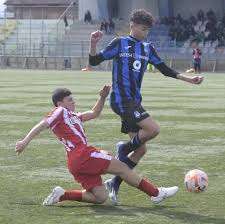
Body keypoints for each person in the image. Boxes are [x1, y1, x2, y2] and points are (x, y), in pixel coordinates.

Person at [88, 9, 203, 205]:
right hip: (121, 100)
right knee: (153, 129)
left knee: (140, 151)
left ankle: (113, 183)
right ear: (132, 25)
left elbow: (165, 70)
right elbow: (94, 60)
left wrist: (189, 79)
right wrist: (93, 43)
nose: (145, 33)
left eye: (148, 30)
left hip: (134, 102)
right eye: (143, 29)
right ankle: (123, 147)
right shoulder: (120, 43)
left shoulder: (147, 48)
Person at [15, 85, 178, 206]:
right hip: (83, 154)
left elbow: (94, 113)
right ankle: (156, 193)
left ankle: (62, 195)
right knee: (122, 168)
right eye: (70, 100)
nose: (74, 102)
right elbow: (43, 124)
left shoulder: (73, 116)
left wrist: (102, 97)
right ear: (60, 103)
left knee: (101, 197)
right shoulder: (60, 112)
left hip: (75, 163)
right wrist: (25, 141)